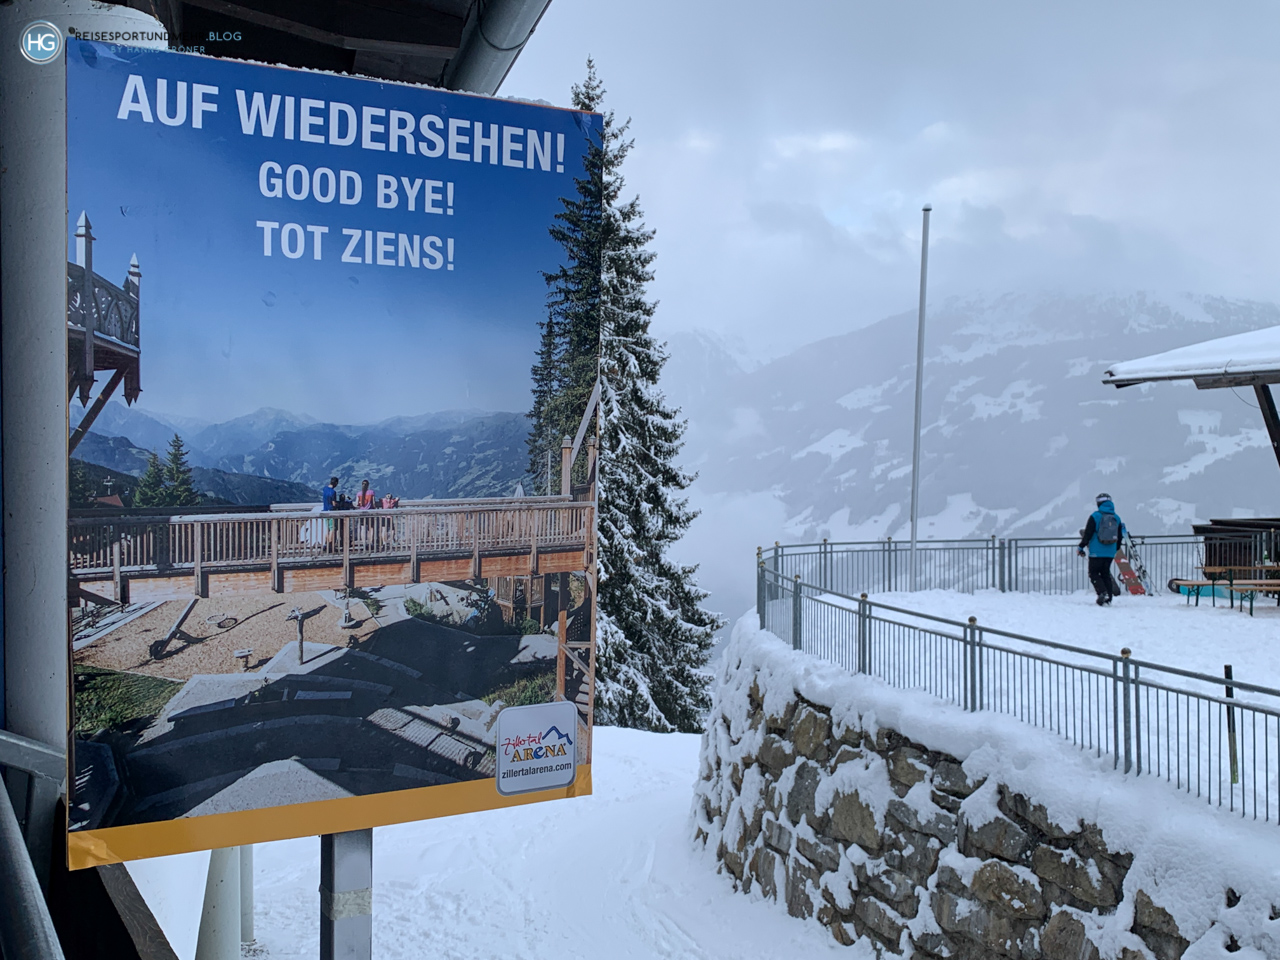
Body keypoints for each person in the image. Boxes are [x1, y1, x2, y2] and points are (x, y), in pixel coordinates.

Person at [1078, 493, 1127, 606]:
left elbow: (1088, 534)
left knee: (1093, 573)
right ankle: (1108, 598)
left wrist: (1081, 547)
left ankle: (1102, 592)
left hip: (1096, 551)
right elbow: (1119, 537)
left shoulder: (1095, 516)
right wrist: (1114, 550)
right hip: (1110, 552)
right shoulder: (1117, 518)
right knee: (1105, 573)